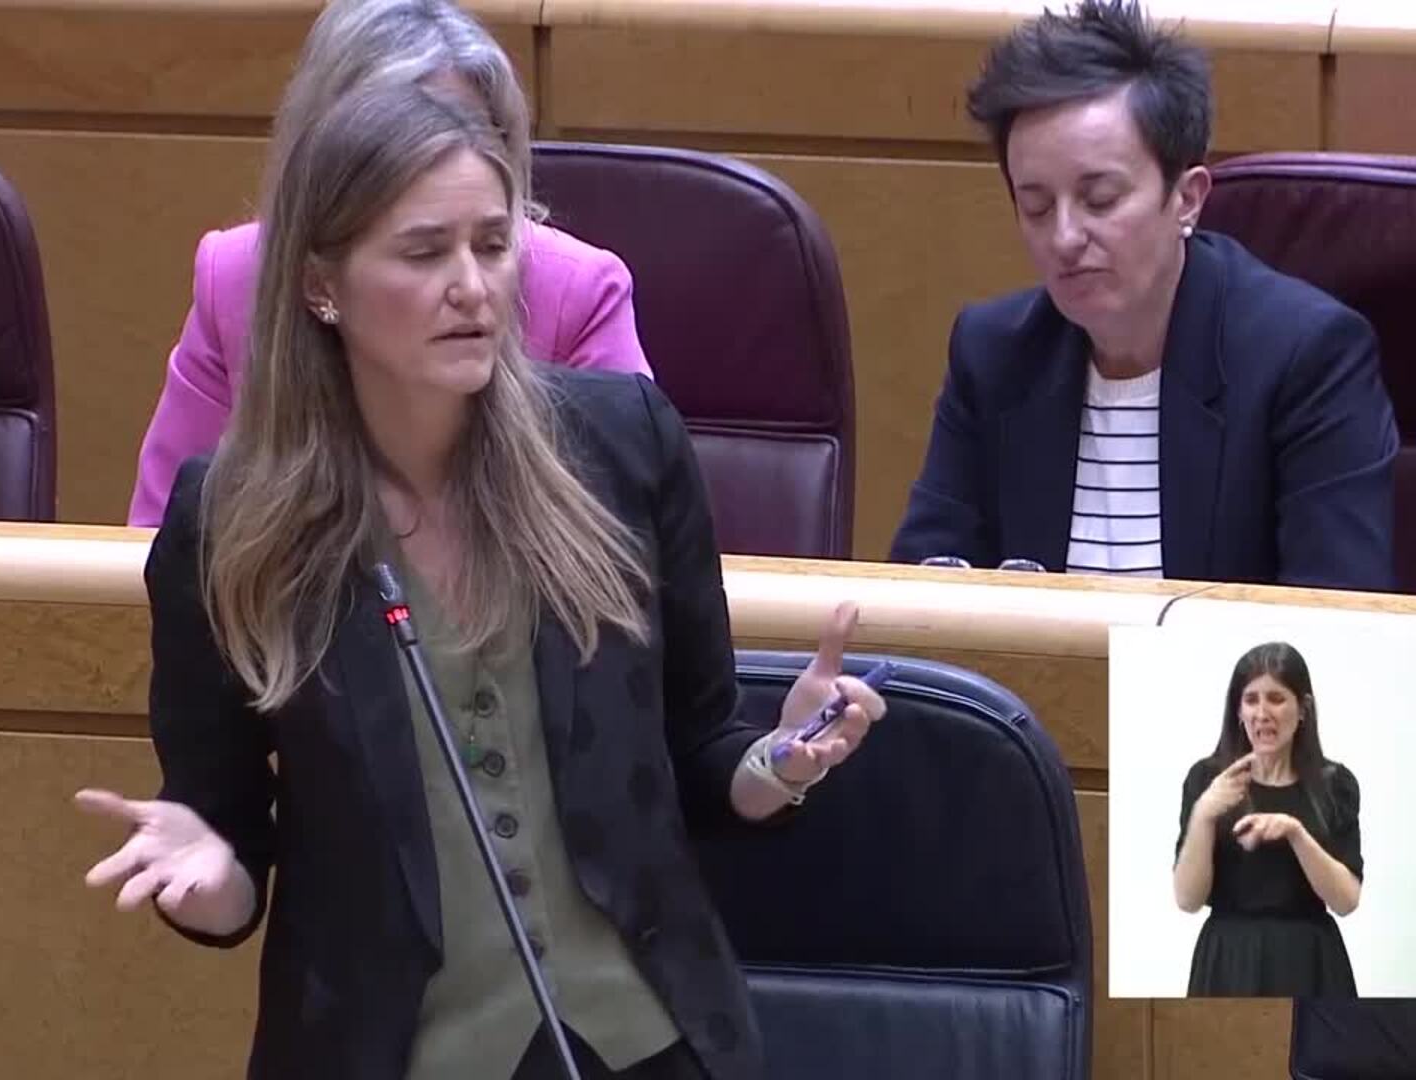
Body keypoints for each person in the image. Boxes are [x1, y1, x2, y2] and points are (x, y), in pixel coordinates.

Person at [78, 83, 886, 1080]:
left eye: (494, 246)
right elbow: (228, 842)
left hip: (649, 1042)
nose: (472, 286)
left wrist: (783, 761)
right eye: (424, 253)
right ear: (322, 284)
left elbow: (701, 758)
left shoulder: (622, 446)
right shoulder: (230, 519)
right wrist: (208, 884)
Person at [887, 0, 1397, 591]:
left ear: (1187, 198)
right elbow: (923, 589)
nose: (1065, 237)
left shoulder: (1306, 357)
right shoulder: (994, 354)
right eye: (1037, 206)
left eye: (1100, 200)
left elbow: (1338, 612)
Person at [127, 0, 651, 527]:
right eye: (395, 139)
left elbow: (633, 543)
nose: (471, 287)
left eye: (460, 132)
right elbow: (163, 534)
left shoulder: (578, 291)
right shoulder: (235, 277)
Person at [1172, 641, 1362, 997]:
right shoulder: (1207, 779)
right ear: (1238, 711)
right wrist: (1203, 815)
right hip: (1228, 957)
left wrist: (1295, 833)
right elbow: (1187, 899)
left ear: (1302, 709)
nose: (1262, 713)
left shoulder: (1334, 784)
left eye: (1276, 699)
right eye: (1251, 700)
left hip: (1309, 958)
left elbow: (1346, 901)